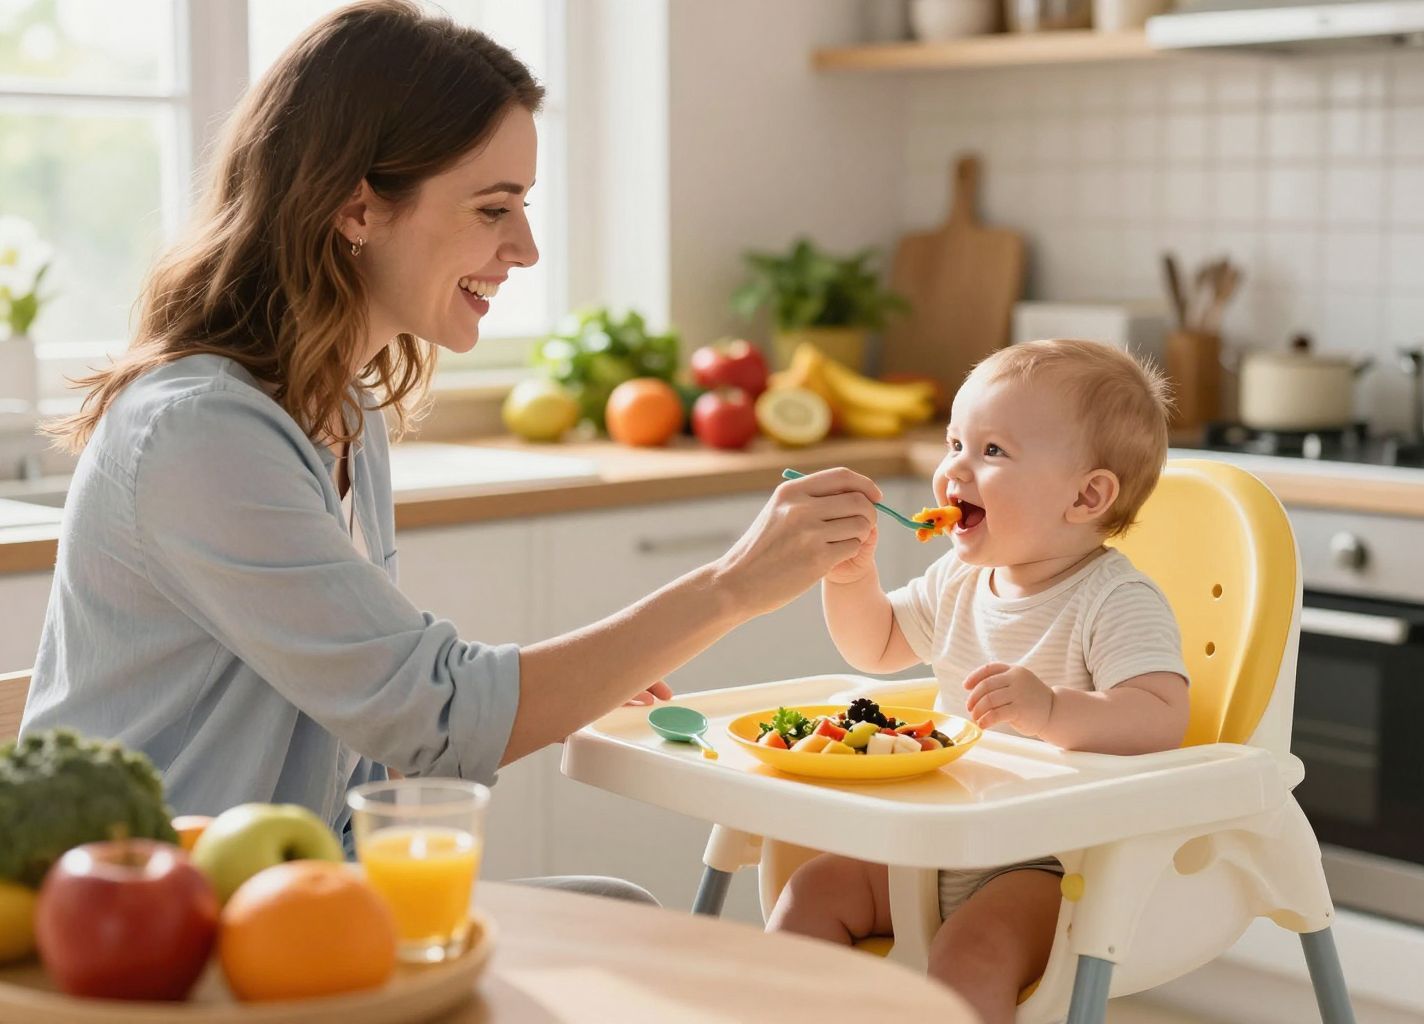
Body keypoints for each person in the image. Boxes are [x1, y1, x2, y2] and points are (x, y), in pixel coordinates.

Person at [19, 0, 879, 900]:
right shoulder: (200, 434)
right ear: (357, 207)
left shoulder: (345, 408)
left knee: (623, 911)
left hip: (303, 893)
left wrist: (566, 683)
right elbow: (429, 719)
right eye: (492, 208)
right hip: (158, 924)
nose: (527, 248)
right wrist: (732, 583)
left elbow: (384, 703)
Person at [765, 339, 1191, 1023]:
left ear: (1087, 495)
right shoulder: (958, 580)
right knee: (811, 894)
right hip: (936, 842)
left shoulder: (1115, 599)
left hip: (1048, 864)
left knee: (973, 955)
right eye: (955, 442)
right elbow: (875, 645)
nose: (954, 469)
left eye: (992, 452)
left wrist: (1052, 710)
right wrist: (851, 581)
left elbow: (1161, 714)